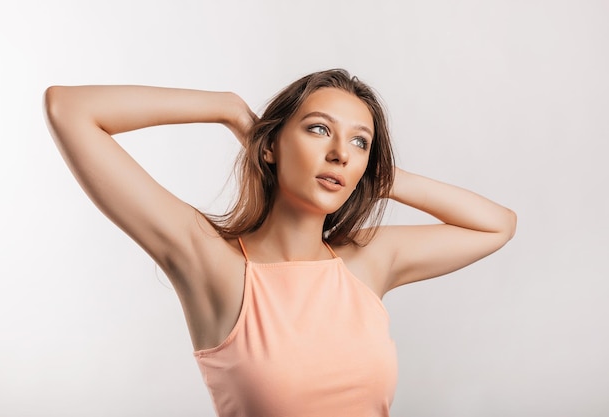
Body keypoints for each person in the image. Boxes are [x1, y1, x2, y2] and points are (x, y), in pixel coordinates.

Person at [44, 69, 516, 417]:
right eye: (318, 129)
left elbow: (497, 224)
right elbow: (69, 109)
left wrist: (383, 177)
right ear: (270, 145)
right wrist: (227, 108)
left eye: (360, 143)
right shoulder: (212, 261)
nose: (339, 154)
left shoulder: (368, 261)